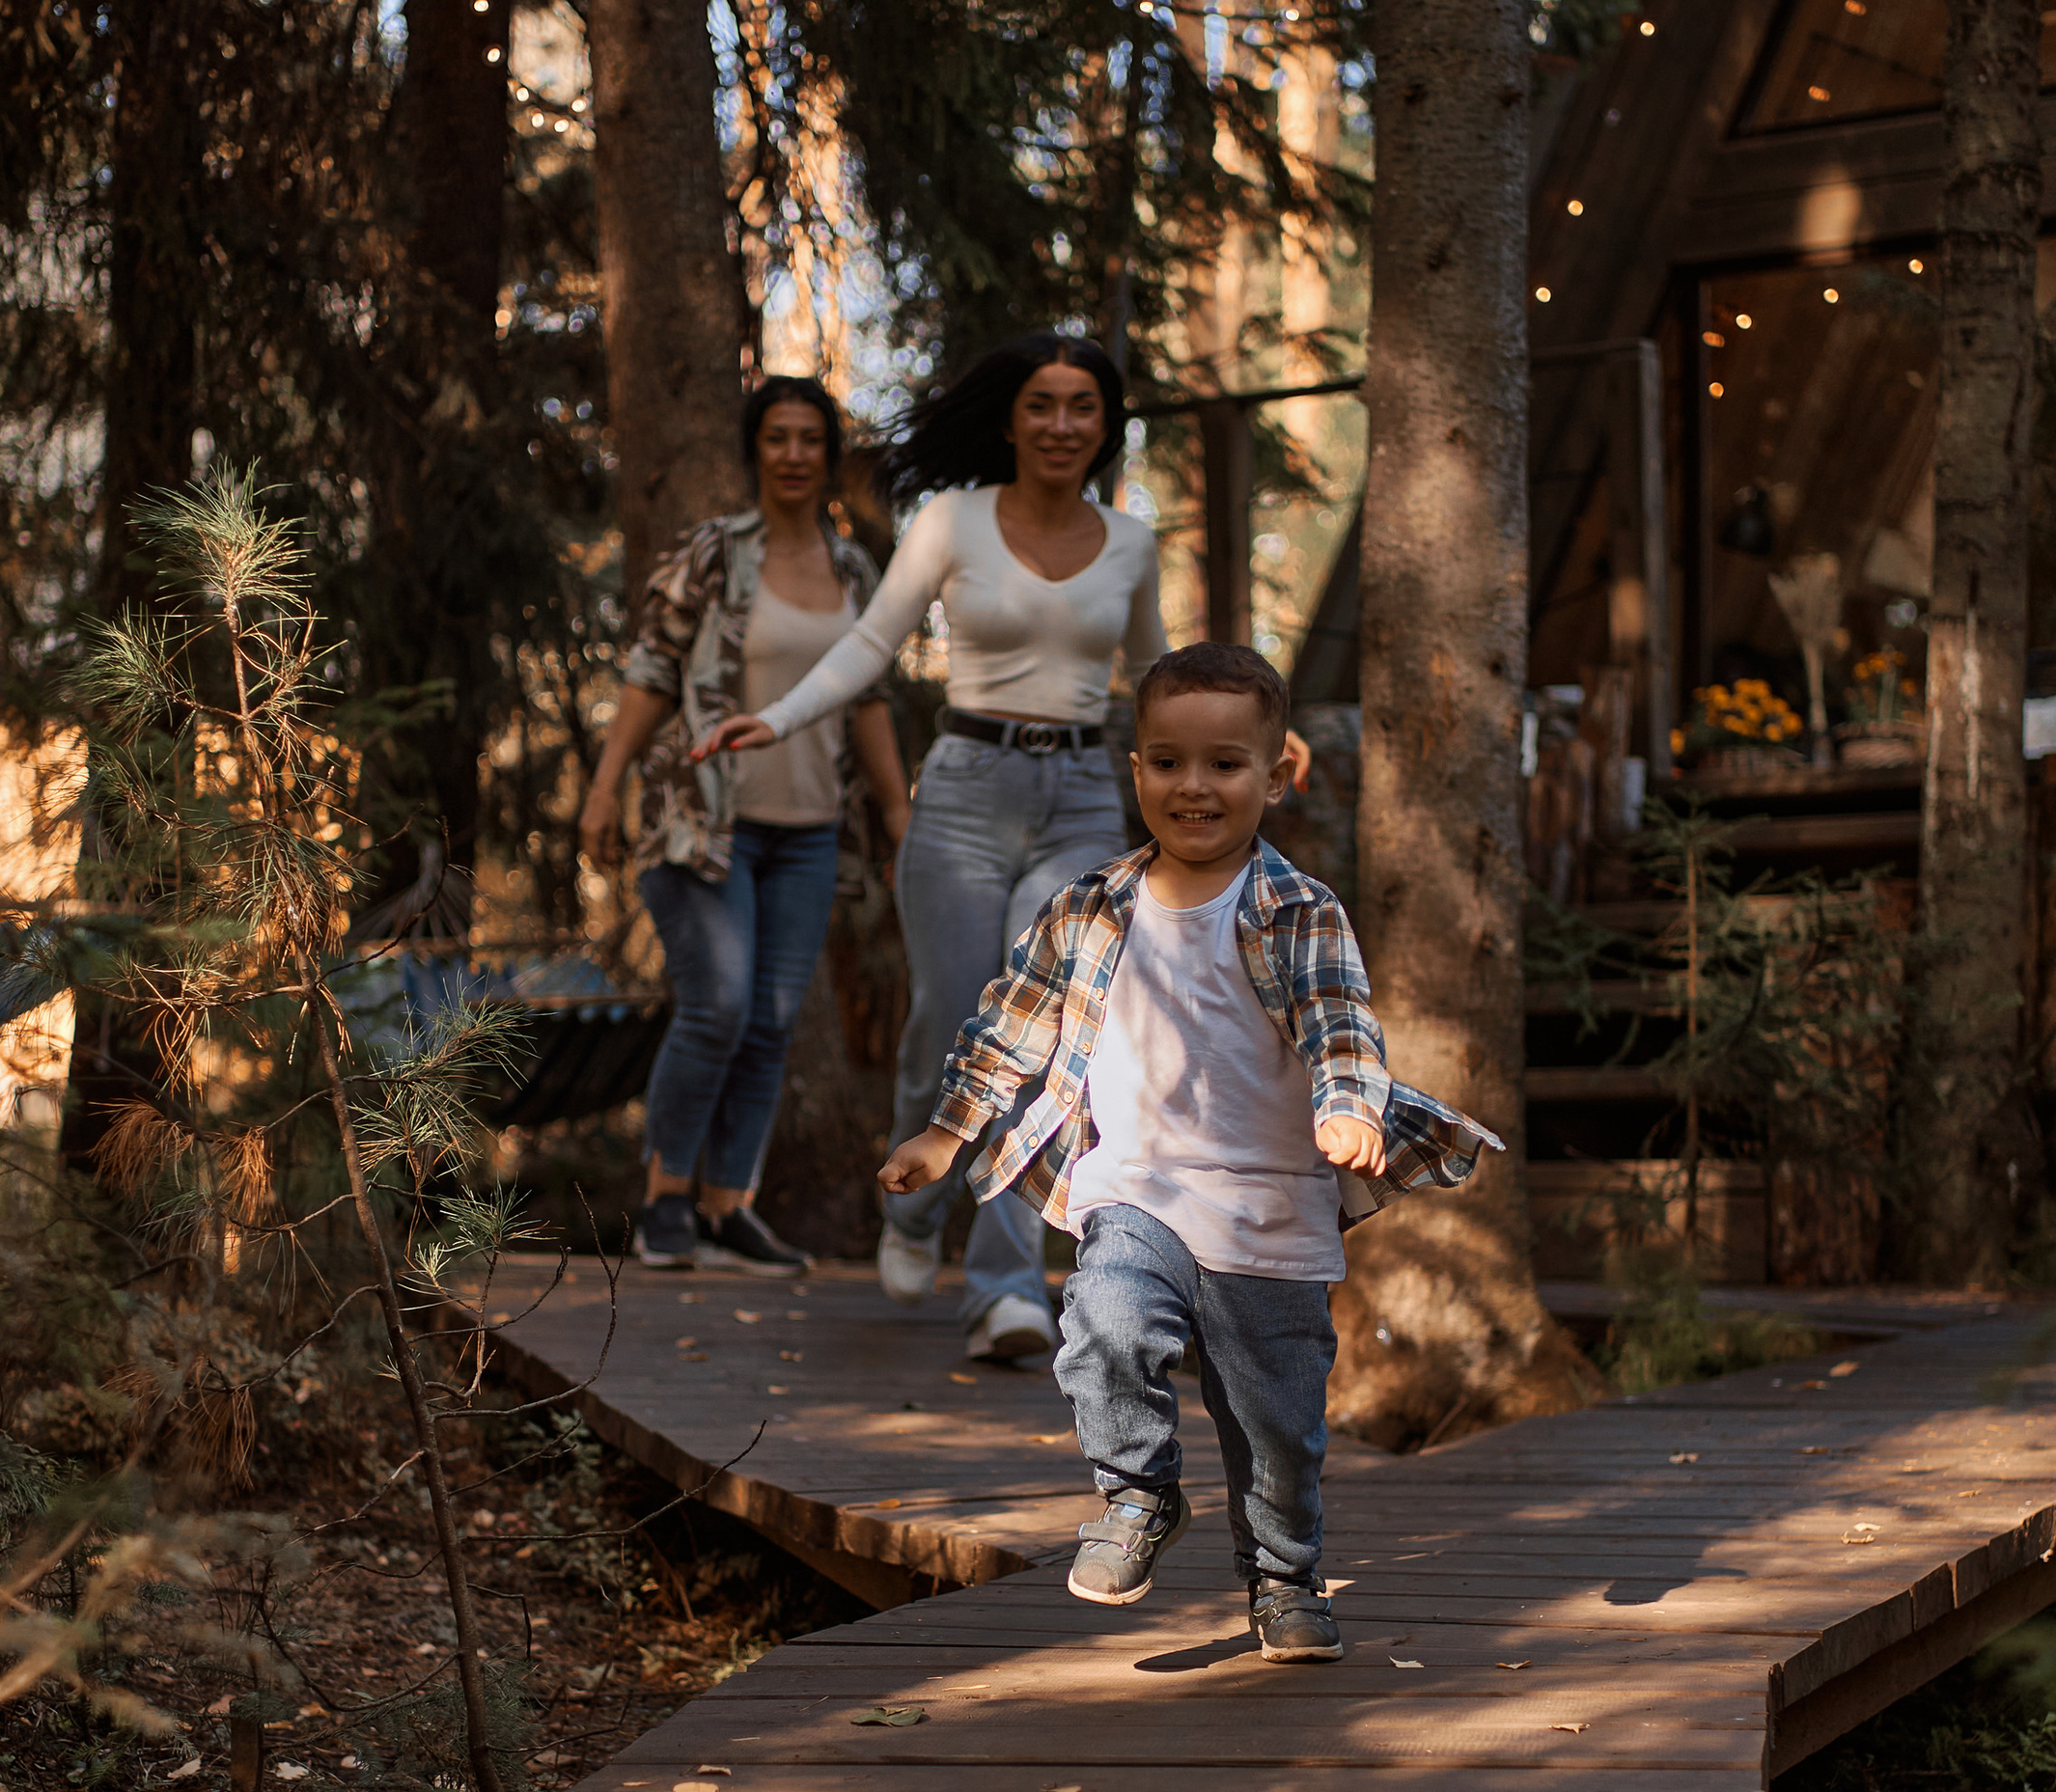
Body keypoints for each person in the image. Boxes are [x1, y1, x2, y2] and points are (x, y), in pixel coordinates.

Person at [878, 642, 1495, 1661]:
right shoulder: (1087, 907)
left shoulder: (1298, 911)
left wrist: (1348, 1109)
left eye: (1223, 765)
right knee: (1104, 1322)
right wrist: (948, 1129)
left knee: (1279, 1436)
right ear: (1134, 772)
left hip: (1269, 1213)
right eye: (1167, 762)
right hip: (1134, 1189)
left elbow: (1344, 1025)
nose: (1193, 787)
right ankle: (1137, 1498)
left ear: (1274, 775)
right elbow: (1013, 1024)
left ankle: (1286, 1576)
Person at [690, 330, 1158, 1366]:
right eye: (1041, 404)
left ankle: (1004, 1289)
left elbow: (1160, 670)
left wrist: (1257, 731)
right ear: (1009, 419)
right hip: (962, 795)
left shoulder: (1129, 542)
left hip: (1081, 795)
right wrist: (778, 716)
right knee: (947, 1027)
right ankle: (911, 1211)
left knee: (1038, 1040)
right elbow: (869, 642)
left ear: (1105, 425)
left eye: (1083, 406)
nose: (1061, 424)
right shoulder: (952, 521)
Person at [579, 375, 910, 1275]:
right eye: (778, 438)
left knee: (768, 1022)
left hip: (807, 832)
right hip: (702, 825)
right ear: (754, 450)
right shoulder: (714, 554)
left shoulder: (853, 573)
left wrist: (895, 810)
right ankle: (664, 1204)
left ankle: (731, 1207)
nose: (795, 454)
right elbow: (651, 671)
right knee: (719, 1005)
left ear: (829, 456)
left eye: (811, 439)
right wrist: (605, 789)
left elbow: (869, 697)